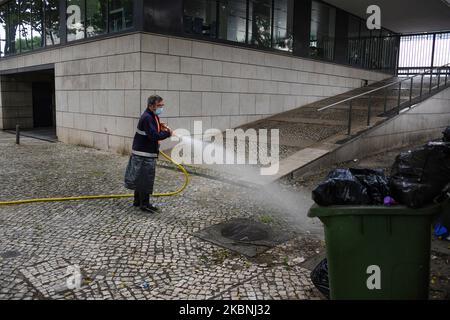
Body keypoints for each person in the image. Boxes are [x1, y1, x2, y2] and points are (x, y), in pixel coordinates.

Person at [124, 95, 172, 213]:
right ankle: (144, 204)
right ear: (151, 105)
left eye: (162, 105)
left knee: (140, 178)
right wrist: (168, 133)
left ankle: (137, 201)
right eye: (159, 105)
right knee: (145, 179)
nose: (161, 108)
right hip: (144, 154)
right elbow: (154, 136)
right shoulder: (147, 118)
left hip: (143, 152)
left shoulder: (152, 115)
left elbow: (152, 131)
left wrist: (160, 127)